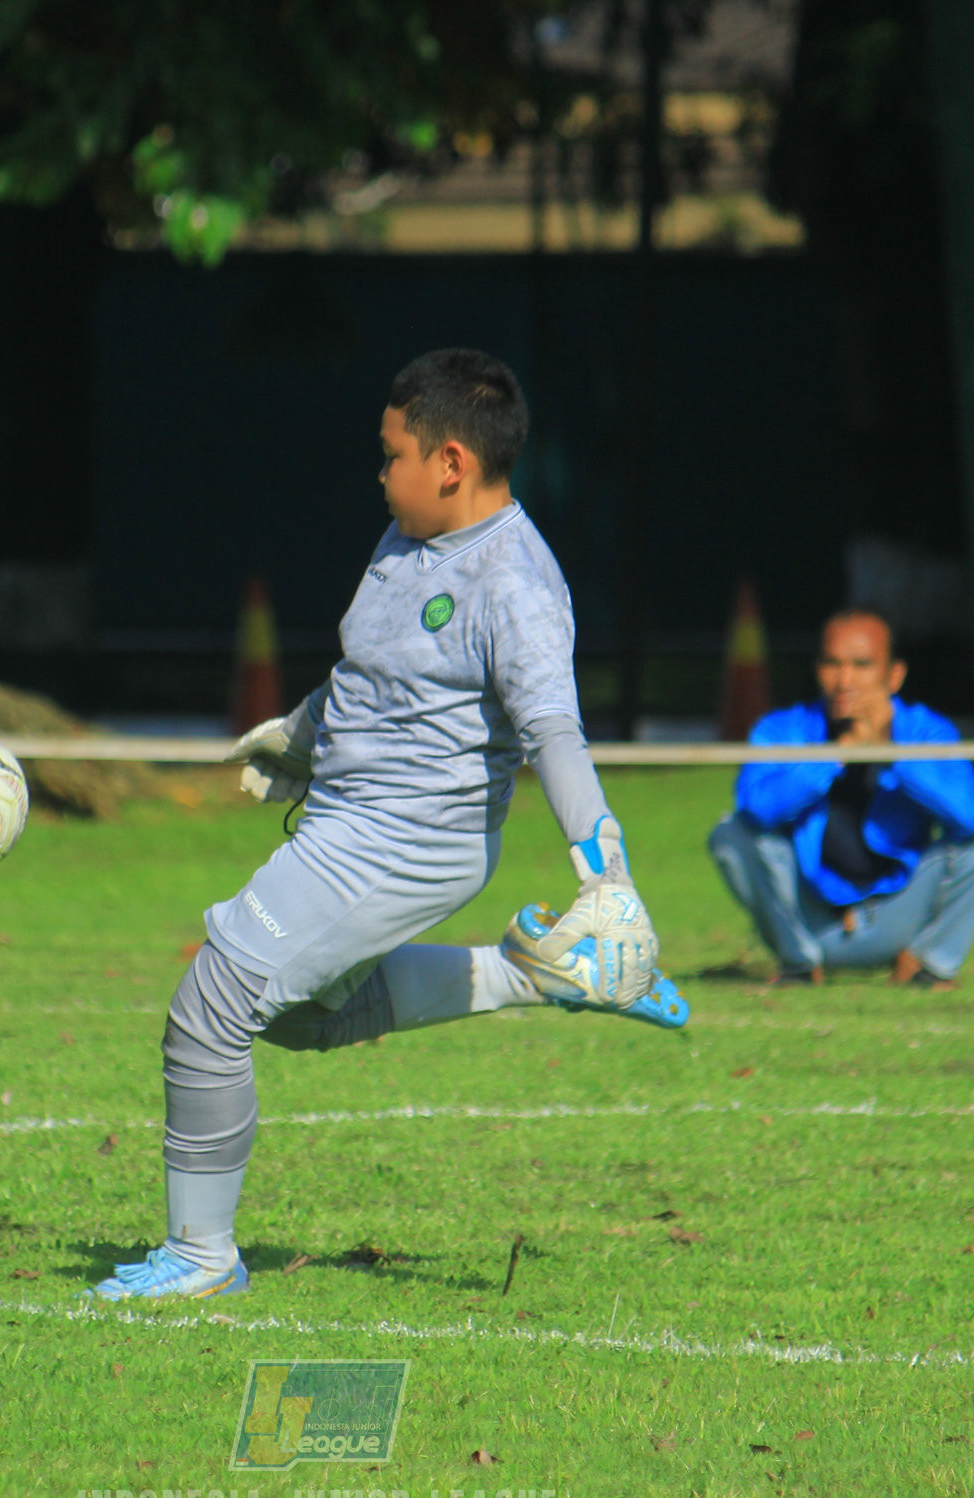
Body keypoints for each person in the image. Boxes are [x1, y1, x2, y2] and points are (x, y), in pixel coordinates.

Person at [92, 348, 688, 1302]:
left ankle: (201, 1257)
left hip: (405, 840)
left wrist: (606, 878)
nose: (379, 474)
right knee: (293, 1017)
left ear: (449, 461)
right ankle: (526, 973)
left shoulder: (517, 584)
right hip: (347, 820)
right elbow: (374, 675)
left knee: (207, 1010)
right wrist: (297, 735)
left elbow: (555, 734)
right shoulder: (406, 541)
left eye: (391, 454)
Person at [708, 609, 974, 989]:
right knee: (729, 833)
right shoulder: (782, 729)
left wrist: (891, 753)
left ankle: (927, 965)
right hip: (810, 920)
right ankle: (799, 965)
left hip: (898, 914)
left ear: (895, 675)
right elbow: (756, 811)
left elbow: (973, 818)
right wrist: (835, 755)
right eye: (832, 664)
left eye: (862, 665)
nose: (845, 680)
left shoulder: (926, 729)